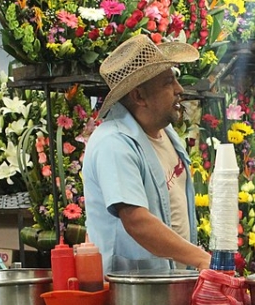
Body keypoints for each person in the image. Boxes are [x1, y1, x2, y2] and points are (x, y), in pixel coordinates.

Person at [82, 35, 211, 273]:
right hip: (133, 289)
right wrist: (202, 259)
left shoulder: (165, 133)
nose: (179, 89)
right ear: (139, 96)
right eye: (168, 82)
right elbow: (136, 221)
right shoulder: (114, 143)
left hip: (171, 281)